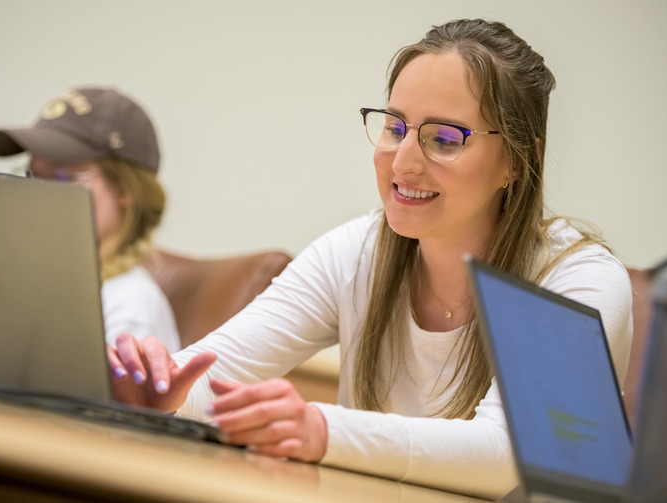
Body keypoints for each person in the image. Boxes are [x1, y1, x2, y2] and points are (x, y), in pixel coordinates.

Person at [107, 19, 633, 499]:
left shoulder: (580, 280)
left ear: (520, 160)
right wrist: (163, 388)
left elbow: (504, 457)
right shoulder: (356, 249)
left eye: (444, 139)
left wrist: (323, 431)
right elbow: (212, 375)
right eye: (395, 127)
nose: (402, 162)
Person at [0, 87, 181, 353]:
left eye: (62, 178)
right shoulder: (20, 280)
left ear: (125, 189)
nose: (39, 196)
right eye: (33, 176)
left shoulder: (129, 306)